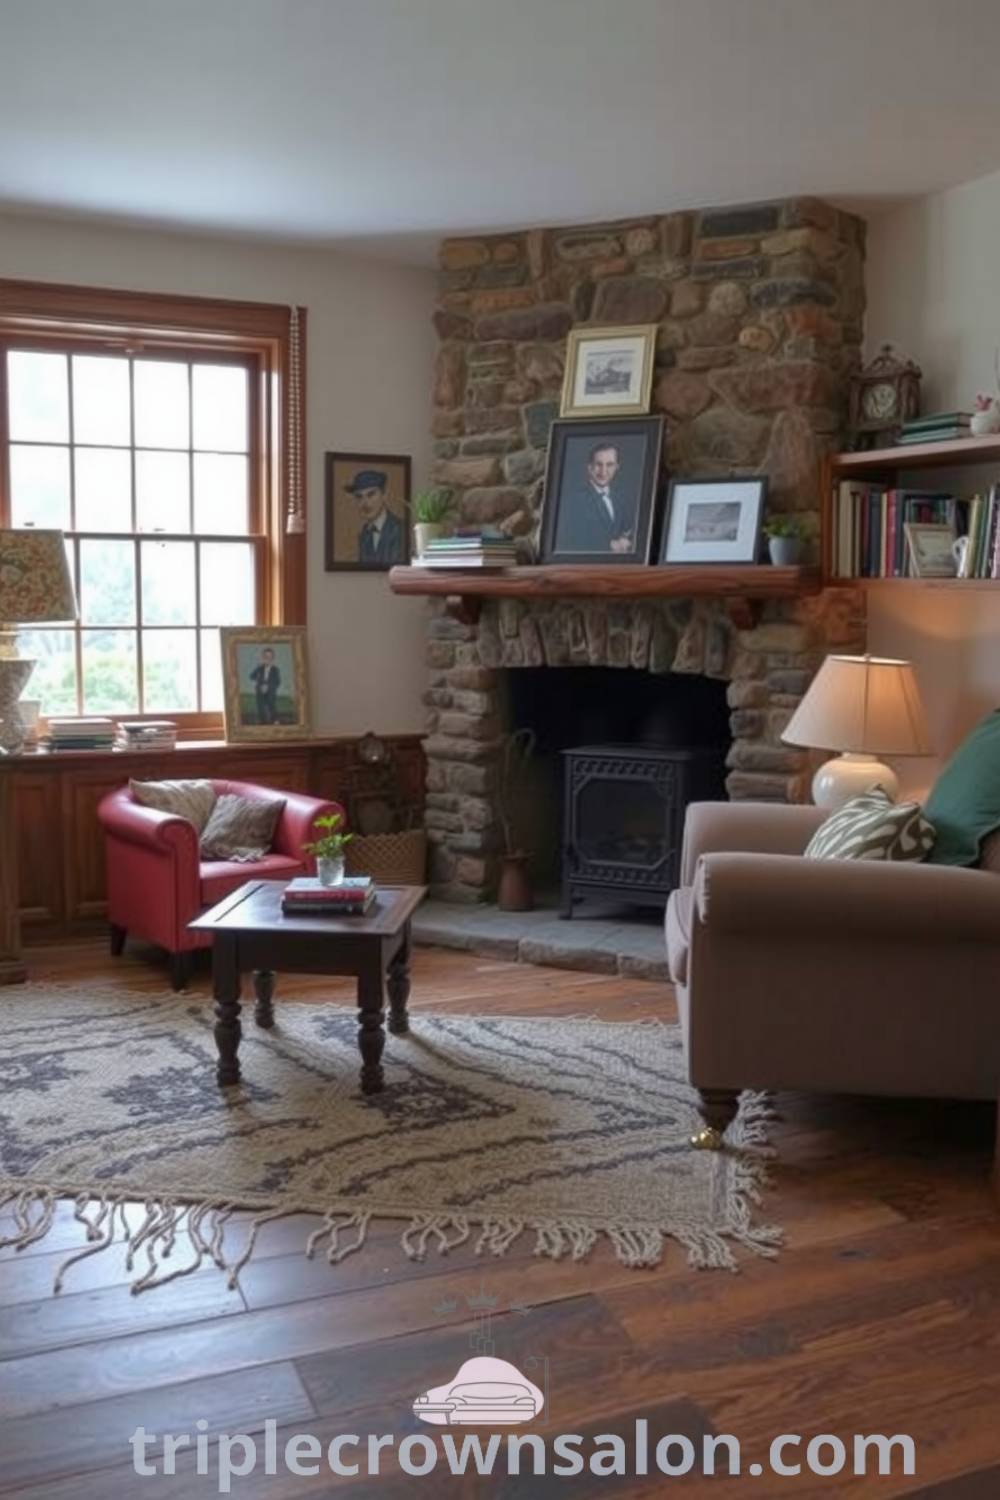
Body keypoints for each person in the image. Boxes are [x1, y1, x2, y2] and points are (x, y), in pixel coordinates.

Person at [556, 442, 637, 554]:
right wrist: (609, 546)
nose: (603, 471)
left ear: (616, 467)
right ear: (589, 467)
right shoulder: (575, 500)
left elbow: (629, 529)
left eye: (609, 465)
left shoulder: (621, 498)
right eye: (598, 464)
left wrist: (627, 540)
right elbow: (571, 539)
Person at [346, 469, 406, 564]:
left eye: (371, 494)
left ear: (384, 494)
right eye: (359, 497)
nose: (365, 503)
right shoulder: (364, 534)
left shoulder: (400, 529)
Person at [249, 647, 280, 725]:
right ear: (263, 658)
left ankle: (274, 720)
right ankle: (262, 722)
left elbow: (277, 682)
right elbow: (252, 676)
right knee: (260, 707)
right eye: (266, 657)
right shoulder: (260, 668)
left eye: (270, 657)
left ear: (273, 659)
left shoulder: (275, 669)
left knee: (271, 705)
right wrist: (257, 667)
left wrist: (268, 686)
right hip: (260, 691)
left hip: (270, 691)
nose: (268, 659)